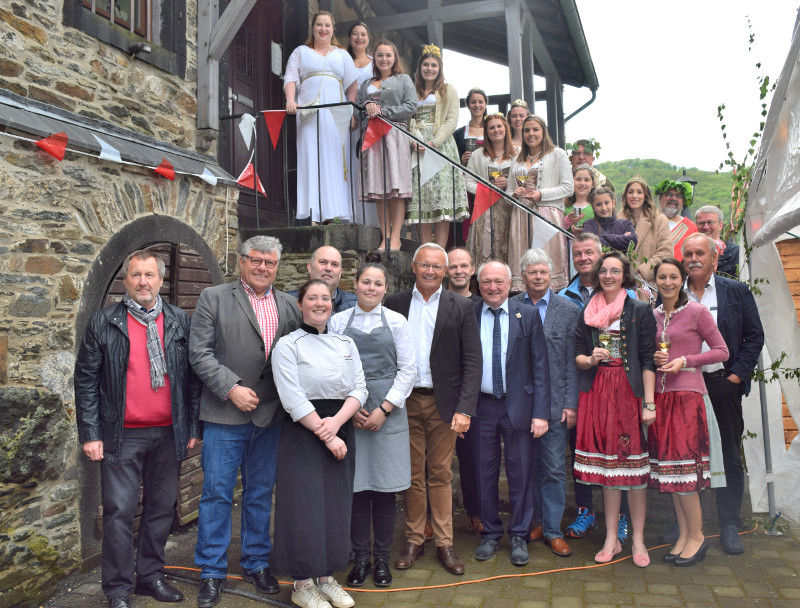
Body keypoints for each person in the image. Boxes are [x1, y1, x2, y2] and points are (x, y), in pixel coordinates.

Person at [74, 250, 200, 608]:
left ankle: (149, 577)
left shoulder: (178, 321)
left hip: (167, 433)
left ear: (161, 280)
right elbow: (85, 380)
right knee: (119, 512)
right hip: (120, 434)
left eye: (149, 275)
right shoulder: (104, 321)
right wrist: (91, 433)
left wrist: (190, 425)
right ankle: (116, 589)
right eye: (135, 275)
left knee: (161, 508)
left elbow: (192, 381)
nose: (143, 281)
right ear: (125, 280)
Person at [190, 236, 301, 607]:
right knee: (217, 494)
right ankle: (211, 571)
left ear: (277, 266)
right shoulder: (214, 298)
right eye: (256, 261)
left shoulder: (288, 304)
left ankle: (256, 562)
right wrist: (230, 387)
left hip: (269, 417)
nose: (263, 268)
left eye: (270, 263)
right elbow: (199, 352)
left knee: (258, 494)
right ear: (241, 262)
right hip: (224, 414)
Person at [385, 243, 482, 576]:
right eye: (424, 265)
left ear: (445, 272)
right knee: (413, 475)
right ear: (413, 267)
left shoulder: (460, 306)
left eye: (437, 267)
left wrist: (465, 407)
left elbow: (472, 360)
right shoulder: (395, 303)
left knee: (440, 473)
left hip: (446, 404)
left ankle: (444, 543)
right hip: (405, 400)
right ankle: (414, 539)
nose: (430, 271)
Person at [271, 279, 368, 608]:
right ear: (300, 304)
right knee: (304, 507)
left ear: (332, 304)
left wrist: (338, 425)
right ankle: (301, 583)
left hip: (339, 426)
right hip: (303, 432)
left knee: (334, 506)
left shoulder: (346, 343)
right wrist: (327, 435)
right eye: (312, 298)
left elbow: (360, 389)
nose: (319, 303)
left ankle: (326, 578)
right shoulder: (287, 345)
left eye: (325, 298)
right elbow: (291, 396)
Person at [328, 257, 416, 589]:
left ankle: (381, 558)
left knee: (384, 489)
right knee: (357, 488)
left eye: (378, 284)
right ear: (356, 284)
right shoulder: (337, 322)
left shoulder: (396, 322)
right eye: (366, 282)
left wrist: (385, 408)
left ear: (386, 289)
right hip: (350, 412)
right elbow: (332, 368)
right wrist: (351, 409)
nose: (372, 288)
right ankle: (360, 557)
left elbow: (408, 370)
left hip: (387, 414)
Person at [682, 233, 764, 555]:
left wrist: (736, 376)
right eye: (688, 253)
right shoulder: (674, 294)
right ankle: (687, 523)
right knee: (686, 454)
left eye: (700, 253)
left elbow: (754, 337)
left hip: (721, 384)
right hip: (685, 386)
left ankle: (729, 523)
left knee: (728, 454)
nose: (693, 259)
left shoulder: (736, 292)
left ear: (714, 259)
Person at [573, 251, 656, 568]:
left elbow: (648, 359)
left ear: (625, 275)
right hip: (598, 392)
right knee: (609, 471)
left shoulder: (639, 309)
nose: (608, 275)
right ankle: (611, 538)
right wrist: (592, 359)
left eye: (615, 271)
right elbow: (578, 357)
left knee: (633, 471)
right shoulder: (587, 310)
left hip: (628, 392)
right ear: (597, 275)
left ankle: (637, 538)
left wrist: (648, 403)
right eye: (603, 270)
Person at [650, 258, 729, 566]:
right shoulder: (653, 315)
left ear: (682, 279)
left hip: (687, 397)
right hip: (661, 397)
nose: (667, 282)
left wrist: (687, 360)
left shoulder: (697, 311)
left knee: (684, 472)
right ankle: (684, 534)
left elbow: (722, 351)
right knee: (671, 473)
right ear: (655, 281)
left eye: (673, 277)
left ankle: (697, 536)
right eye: (662, 277)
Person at [471, 261, 550, 566]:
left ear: (509, 284)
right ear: (479, 285)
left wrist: (541, 413)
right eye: (487, 282)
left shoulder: (526, 314)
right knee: (483, 473)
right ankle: (490, 533)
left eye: (499, 282)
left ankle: (520, 533)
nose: (493, 287)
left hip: (519, 407)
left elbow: (540, 366)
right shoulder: (470, 313)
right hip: (482, 406)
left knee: (521, 474)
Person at [560, 233, 636, 544]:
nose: (583, 258)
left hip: (621, 388)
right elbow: (568, 349)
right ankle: (585, 511)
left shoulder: (631, 297)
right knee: (581, 450)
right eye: (577, 253)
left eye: (588, 252)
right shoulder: (565, 296)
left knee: (620, 450)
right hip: (583, 386)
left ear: (601, 254)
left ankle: (621, 518)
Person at [512, 249, 580, 558]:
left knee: (553, 469)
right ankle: (534, 522)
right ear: (523, 276)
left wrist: (570, 403)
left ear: (550, 276)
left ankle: (553, 530)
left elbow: (570, 362)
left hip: (554, 405)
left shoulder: (568, 309)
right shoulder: (510, 307)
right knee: (528, 469)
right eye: (533, 273)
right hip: (519, 404)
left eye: (543, 272)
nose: (539, 277)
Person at [284, 11, 357, 224]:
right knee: (310, 157)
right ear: (313, 28)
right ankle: (313, 213)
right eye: (319, 25)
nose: (323, 29)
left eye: (327, 25)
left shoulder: (342, 54)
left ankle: (332, 212)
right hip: (308, 113)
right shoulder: (301, 52)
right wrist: (291, 100)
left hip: (336, 115)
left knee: (333, 159)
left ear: (333, 29)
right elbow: (290, 77)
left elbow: (352, 84)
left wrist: (350, 110)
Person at [357, 39, 417, 252]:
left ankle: (396, 238)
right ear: (375, 58)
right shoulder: (366, 83)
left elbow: (411, 106)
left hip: (394, 134)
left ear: (394, 58)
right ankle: (385, 237)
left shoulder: (403, 79)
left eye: (388, 55)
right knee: (380, 189)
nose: (384, 59)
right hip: (372, 138)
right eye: (380, 55)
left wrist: (383, 112)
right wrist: (367, 106)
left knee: (396, 188)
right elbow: (359, 109)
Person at [407, 45, 469, 247]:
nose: (429, 69)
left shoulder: (448, 90)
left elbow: (451, 121)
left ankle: (440, 251)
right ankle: (424, 248)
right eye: (426, 64)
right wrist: (412, 140)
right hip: (417, 148)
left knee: (441, 200)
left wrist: (433, 143)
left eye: (434, 65)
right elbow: (406, 120)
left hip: (440, 147)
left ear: (439, 69)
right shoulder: (412, 91)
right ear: (420, 67)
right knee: (422, 198)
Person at [508, 114, 573, 290]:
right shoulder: (516, 159)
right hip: (521, 216)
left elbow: (568, 187)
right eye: (527, 130)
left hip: (546, 215)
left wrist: (540, 194)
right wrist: (515, 194)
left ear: (543, 132)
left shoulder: (557, 154)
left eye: (535, 129)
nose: (531, 133)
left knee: (544, 264)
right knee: (525, 267)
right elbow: (507, 191)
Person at [444, 247, 483, 537]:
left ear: (473, 270)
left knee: (472, 461)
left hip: (472, 396)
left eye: (463, 265)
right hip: (440, 395)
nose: (458, 270)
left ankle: (474, 513)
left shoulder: (482, 306)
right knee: (435, 464)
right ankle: (433, 519)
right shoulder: (435, 303)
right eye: (453, 266)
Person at [464, 113, 516, 266]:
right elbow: (468, 182)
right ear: (486, 132)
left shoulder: (518, 153)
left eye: (499, 126)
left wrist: (508, 183)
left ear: (506, 129)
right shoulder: (477, 155)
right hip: (485, 209)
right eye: (491, 128)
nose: (496, 130)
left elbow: (524, 180)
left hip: (510, 208)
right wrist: (487, 189)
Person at [346, 21, 379, 229]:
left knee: (365, 166)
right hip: (346, 119)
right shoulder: (343, 60)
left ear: (368, 39)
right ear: (349, 38)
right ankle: (347, 214)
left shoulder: (375, 63)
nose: (359, 37)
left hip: (369, 122)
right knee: (346, 165)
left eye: (364, 34)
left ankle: (369, 220)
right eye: (355, 34)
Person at [618, 176, 672, 283]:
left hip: (647, 284)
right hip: (622, 282)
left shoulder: (659, 219)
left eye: (639, 192)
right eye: (631, 192)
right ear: (625, 195)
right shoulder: (617, 220)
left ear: (645, 195)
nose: (634, 196)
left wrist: (643, 272)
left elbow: (666, 252)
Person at [288, 246, 358, 313]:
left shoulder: (356, 305)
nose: (328, 268)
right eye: (323, 262)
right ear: (310, 267)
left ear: (340, 272)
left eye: (334, 264)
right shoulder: (288, 302)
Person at [581, 187, 638, 253]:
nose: (604, 208)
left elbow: (633, 242)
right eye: (599, 204)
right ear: (593, 207)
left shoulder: (625, 224)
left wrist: (601, 237)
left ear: (613, 204)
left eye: (607, 203)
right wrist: (622, 238)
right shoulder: (589, 224)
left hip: (620, 263)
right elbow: (589, 244)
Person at [653, 179, 697, 261]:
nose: (673, 198)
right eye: (669, 195)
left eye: (678, 196)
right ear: (660, 197)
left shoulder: (691, 227)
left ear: (683, 201)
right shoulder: (649, 221)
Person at [695, 205, 739, 278]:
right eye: (701, 223)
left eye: (710, 222)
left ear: (720, 226)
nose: (705, 227)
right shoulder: (690, 251)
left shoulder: (734, 252)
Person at [454, 87, 487, 165]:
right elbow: (453, 158)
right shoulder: (458, 134)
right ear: (468, 105)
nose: (477, 105)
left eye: (480, 102)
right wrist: (461, 160)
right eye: (473, 102)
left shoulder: (493, 130)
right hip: (467, 174)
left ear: (485, 104)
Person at [563, 163, 596, 236]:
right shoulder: (563, 205)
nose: (582, 183)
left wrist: (586, 230)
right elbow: (557, 228)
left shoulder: (596, 207)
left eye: (586, 180)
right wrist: (568, 220)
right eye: (578, 179)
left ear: (593, 184)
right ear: (572, 182)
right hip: (567, 246)